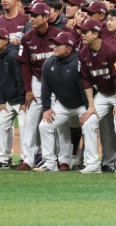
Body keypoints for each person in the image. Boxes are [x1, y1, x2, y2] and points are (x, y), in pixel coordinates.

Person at [75, 17, 116, 174]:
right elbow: (86, 80)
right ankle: (92, 163)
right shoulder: (83, 53)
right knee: (88, 123)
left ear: (95, 33)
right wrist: (91, 106)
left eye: (86, 32)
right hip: (103, 95)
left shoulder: (111, 51)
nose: (82, 34)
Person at [14, 2, 64, 171]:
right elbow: (25, 66)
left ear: (46, 17)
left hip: (56, 82)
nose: (31, 18)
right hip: (36, 82)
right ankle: (28, 159)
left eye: (35, 15)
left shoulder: (59, 34)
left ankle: (56, 159)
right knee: (30, 121)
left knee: (54, 122)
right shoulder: (27, 37)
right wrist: (28, 90)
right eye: (31, 15)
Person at [32, 32, 88, 172]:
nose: (54, 46)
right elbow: (45, 88)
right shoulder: (49, 62)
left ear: (69, 48)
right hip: (63, 104)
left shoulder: (78, 62)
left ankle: (89, 162)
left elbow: (85, 88)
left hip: (82, 104)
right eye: (54, 43)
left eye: (58, 44)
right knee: (45, 126)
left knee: (89, 126)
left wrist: (88, 109)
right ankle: (50, 163)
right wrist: (46, 108)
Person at [0, 28, 26, 169]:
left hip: (22, 101)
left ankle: (26, 159)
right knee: (1, 125)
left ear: (6, 41)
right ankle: (4, 159)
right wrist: (1, 101)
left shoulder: (13, 54)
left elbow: (20, 80)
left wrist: (22, 101)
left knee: (24, 126)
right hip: (8, 100)